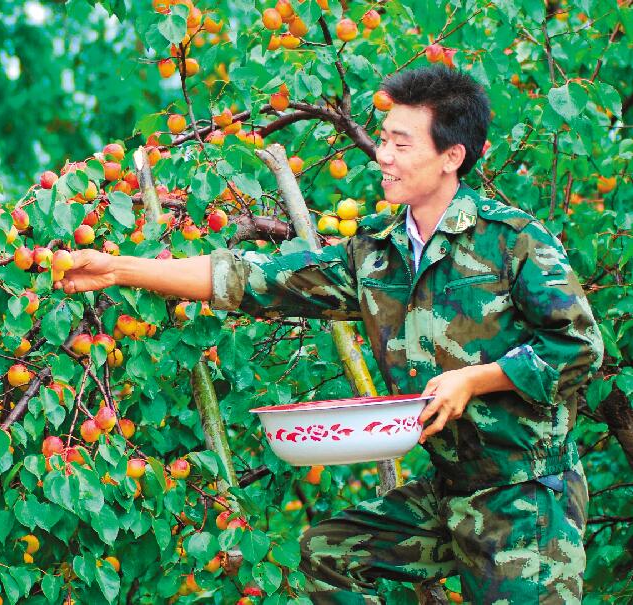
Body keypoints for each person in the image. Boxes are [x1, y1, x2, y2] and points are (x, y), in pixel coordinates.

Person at [54, 66, 603, 603]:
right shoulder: (377, 252)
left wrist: (474, 380)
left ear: (451, 157)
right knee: (326, 553)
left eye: (401, 143)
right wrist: (119, 268)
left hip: (526, 498)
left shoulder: (513, 242)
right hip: (450, 491)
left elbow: (579, 347)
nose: (382, 156)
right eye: (383, 139)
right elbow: (254, 280)